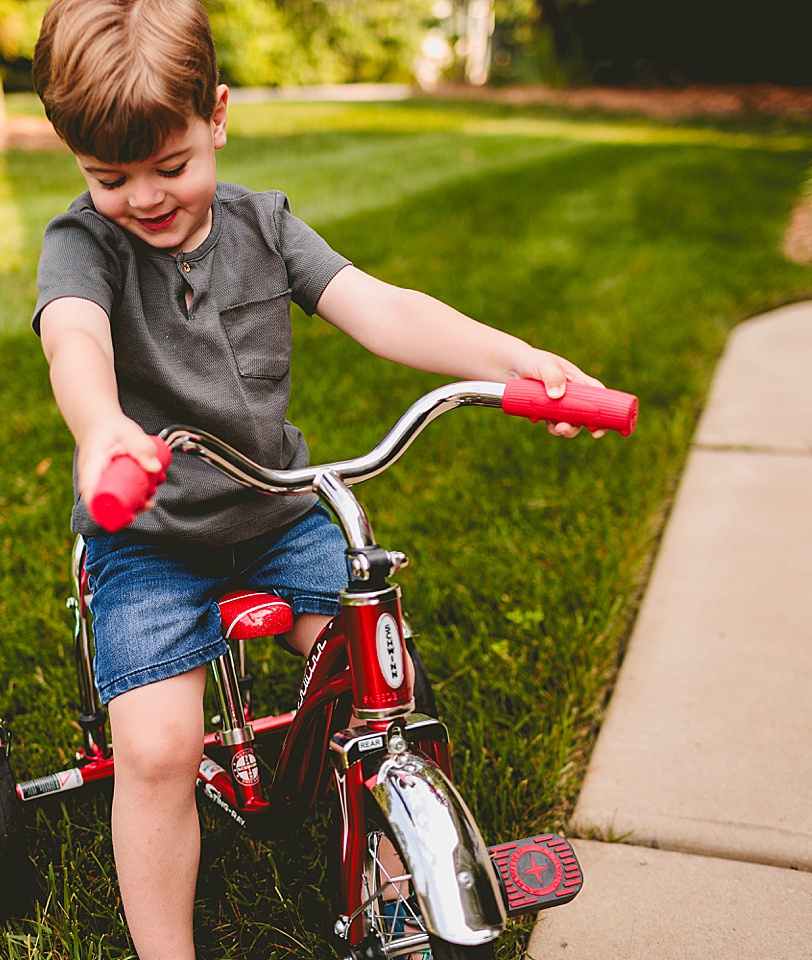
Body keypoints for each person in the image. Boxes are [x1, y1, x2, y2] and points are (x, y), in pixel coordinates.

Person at [30, 1, 603, 956]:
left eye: (170, 166)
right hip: (150, 537)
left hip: (278, 514)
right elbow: (73, 339)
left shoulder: (266, 228)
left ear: (216, 116)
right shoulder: (82, 246)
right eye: (109, 177)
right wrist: (103, 431)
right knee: (161, 750)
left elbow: (383, 309)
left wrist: (519, 361)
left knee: (385, 680)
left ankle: (390, 870)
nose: (144, 196)